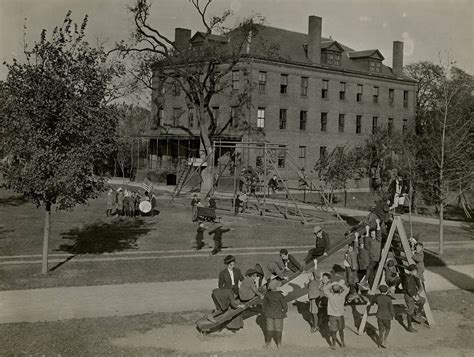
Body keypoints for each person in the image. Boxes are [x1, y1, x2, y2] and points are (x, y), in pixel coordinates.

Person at [323, 280, 350, 349]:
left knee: (333, 331)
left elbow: (324, 289)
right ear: (340, 289)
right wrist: (340, 284)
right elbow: (347, 289)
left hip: (332, 316)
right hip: (340, 315)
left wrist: (333, 283)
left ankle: (334, 345)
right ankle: (343, 343)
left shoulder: (330, 296)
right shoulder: (342, 295)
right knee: (341, 330)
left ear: (332, 290)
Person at [262, 279, 288, 349]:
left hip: (269, 314)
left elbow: (264, 305)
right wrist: (284, 312)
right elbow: (285, 306)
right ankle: (279, 344)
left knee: (269, 329)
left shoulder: (267, 295)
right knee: (278, 330)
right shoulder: (280, 295)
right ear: (277, 287)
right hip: (278, 315)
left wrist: (265, 311)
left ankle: (268, 344)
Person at [403, 264, 426, 332]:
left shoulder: (414, 277)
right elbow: (409, 290)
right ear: (412, 271)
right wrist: (414, 296)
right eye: (415, 270)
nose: (416, 271)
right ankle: (409, 326)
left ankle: (416, 314)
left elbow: (419, 287)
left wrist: (417, 293)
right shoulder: (409, 278)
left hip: (413, 294)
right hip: (409, 296)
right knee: (410, 310)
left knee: (422, 300)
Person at [364, 219, 382, 289]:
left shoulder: (378, 240)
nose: (372, 235)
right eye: (371, 234)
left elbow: (379, 232)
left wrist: (377, 223)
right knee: (371, 274)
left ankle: (364, 281)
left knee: (369, 268)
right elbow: (366, 244)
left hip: (376, 258)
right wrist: (367, 231)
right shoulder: (371, 240)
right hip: (371, 258)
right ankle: (371, 286)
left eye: (373, 234)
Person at [305, 259, 320, 332]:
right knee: (312, 311)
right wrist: (307, 280)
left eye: (310, 276)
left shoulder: (316, 280)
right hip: (311, 299)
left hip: (315, 298)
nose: (309, 276)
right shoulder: (310, 282)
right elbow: (306, 286)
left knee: (314, 313)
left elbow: (316, 272)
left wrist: (315, 264)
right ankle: (315, 323)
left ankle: (316, 326)